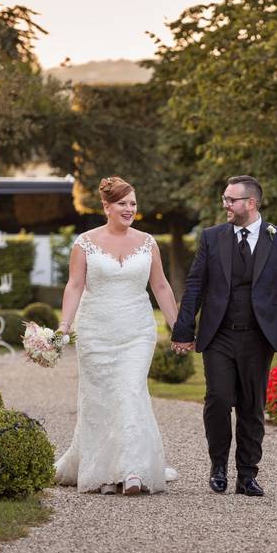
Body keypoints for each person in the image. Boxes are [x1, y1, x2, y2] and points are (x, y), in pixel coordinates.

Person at [171, 175, 277, 496]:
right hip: (218, 335)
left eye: (232, 200)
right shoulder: (212, 238)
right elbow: (195, 287)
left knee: (252, 406)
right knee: (217, 400)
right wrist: (184, 330)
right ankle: (218, 466)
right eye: (225, 199)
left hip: (259, 338)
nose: (225, 205)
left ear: (251, 203)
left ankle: (247, 474)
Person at [55, 177, 180, 495]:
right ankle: (106, 472)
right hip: (96, 332)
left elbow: (161, 286)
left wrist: (178, 326)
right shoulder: (84, 242)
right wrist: (64, 327)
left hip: (137, 332)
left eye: (133, 204)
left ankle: (134, 470)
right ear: (107, 207)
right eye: (123, 203)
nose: (129, 209)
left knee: (130, 392)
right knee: (101, 401)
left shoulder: (148, 242)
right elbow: (74, 286)